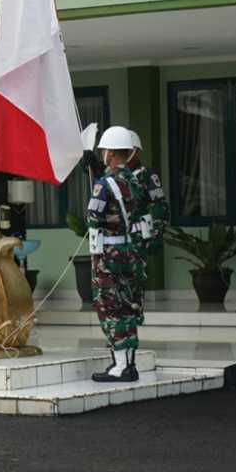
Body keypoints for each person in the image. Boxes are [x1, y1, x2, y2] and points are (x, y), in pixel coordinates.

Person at [86, 126, 149, 383]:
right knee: (128, 307)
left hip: (109, 257)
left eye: (103, 150)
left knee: (110, 308)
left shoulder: (104, 185)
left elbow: (93, 218)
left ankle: (119, 366)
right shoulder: (136, 181)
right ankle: (130, 364)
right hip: (131, 254)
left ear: (110, 152)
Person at [127, 130, 169, 253]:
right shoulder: (112, 174)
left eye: (127, 151)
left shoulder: (146, 175)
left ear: (136, 151)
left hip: (138, 237)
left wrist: (155, 234)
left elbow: (160, 206)